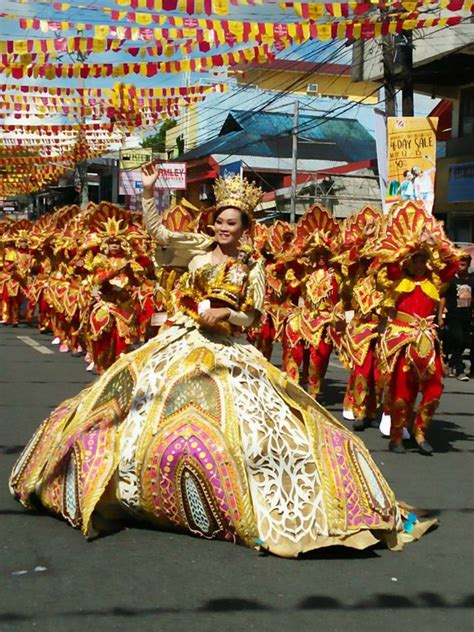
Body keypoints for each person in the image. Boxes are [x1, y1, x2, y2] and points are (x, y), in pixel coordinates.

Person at [9, 170, 434, 558]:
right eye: (219, 220)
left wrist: (227, 316)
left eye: (231, 223)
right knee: (131, 409)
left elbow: (253, 317)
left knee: (253, 429)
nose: (222, 227)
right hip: (181, 341)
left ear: (245, 229)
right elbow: (156, 231)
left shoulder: (253, 268)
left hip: (227, 350)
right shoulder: (194, 250)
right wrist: (152, 191)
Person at [439, 252, 474, 381]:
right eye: (459, 263)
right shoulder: (451, 280)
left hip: (467, 316)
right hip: (453, 315)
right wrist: (440, 317)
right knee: (458, 339)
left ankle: (453, 362)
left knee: (464, 341)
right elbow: (443, 298)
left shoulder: (471, 280)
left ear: (468, 264)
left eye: (464, 263)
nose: (461, 266)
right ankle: (460, 370)